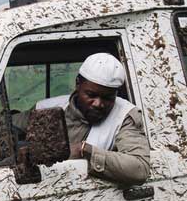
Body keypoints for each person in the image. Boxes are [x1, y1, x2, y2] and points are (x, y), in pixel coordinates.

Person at [36, 53, 151, 186]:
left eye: (108, 98)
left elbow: (139, 169)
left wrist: (84, 150)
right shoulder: (48, 108)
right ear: (78, 84)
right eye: (91, 95)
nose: (98, 104)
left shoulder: (124, 116)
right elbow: (12, 127)